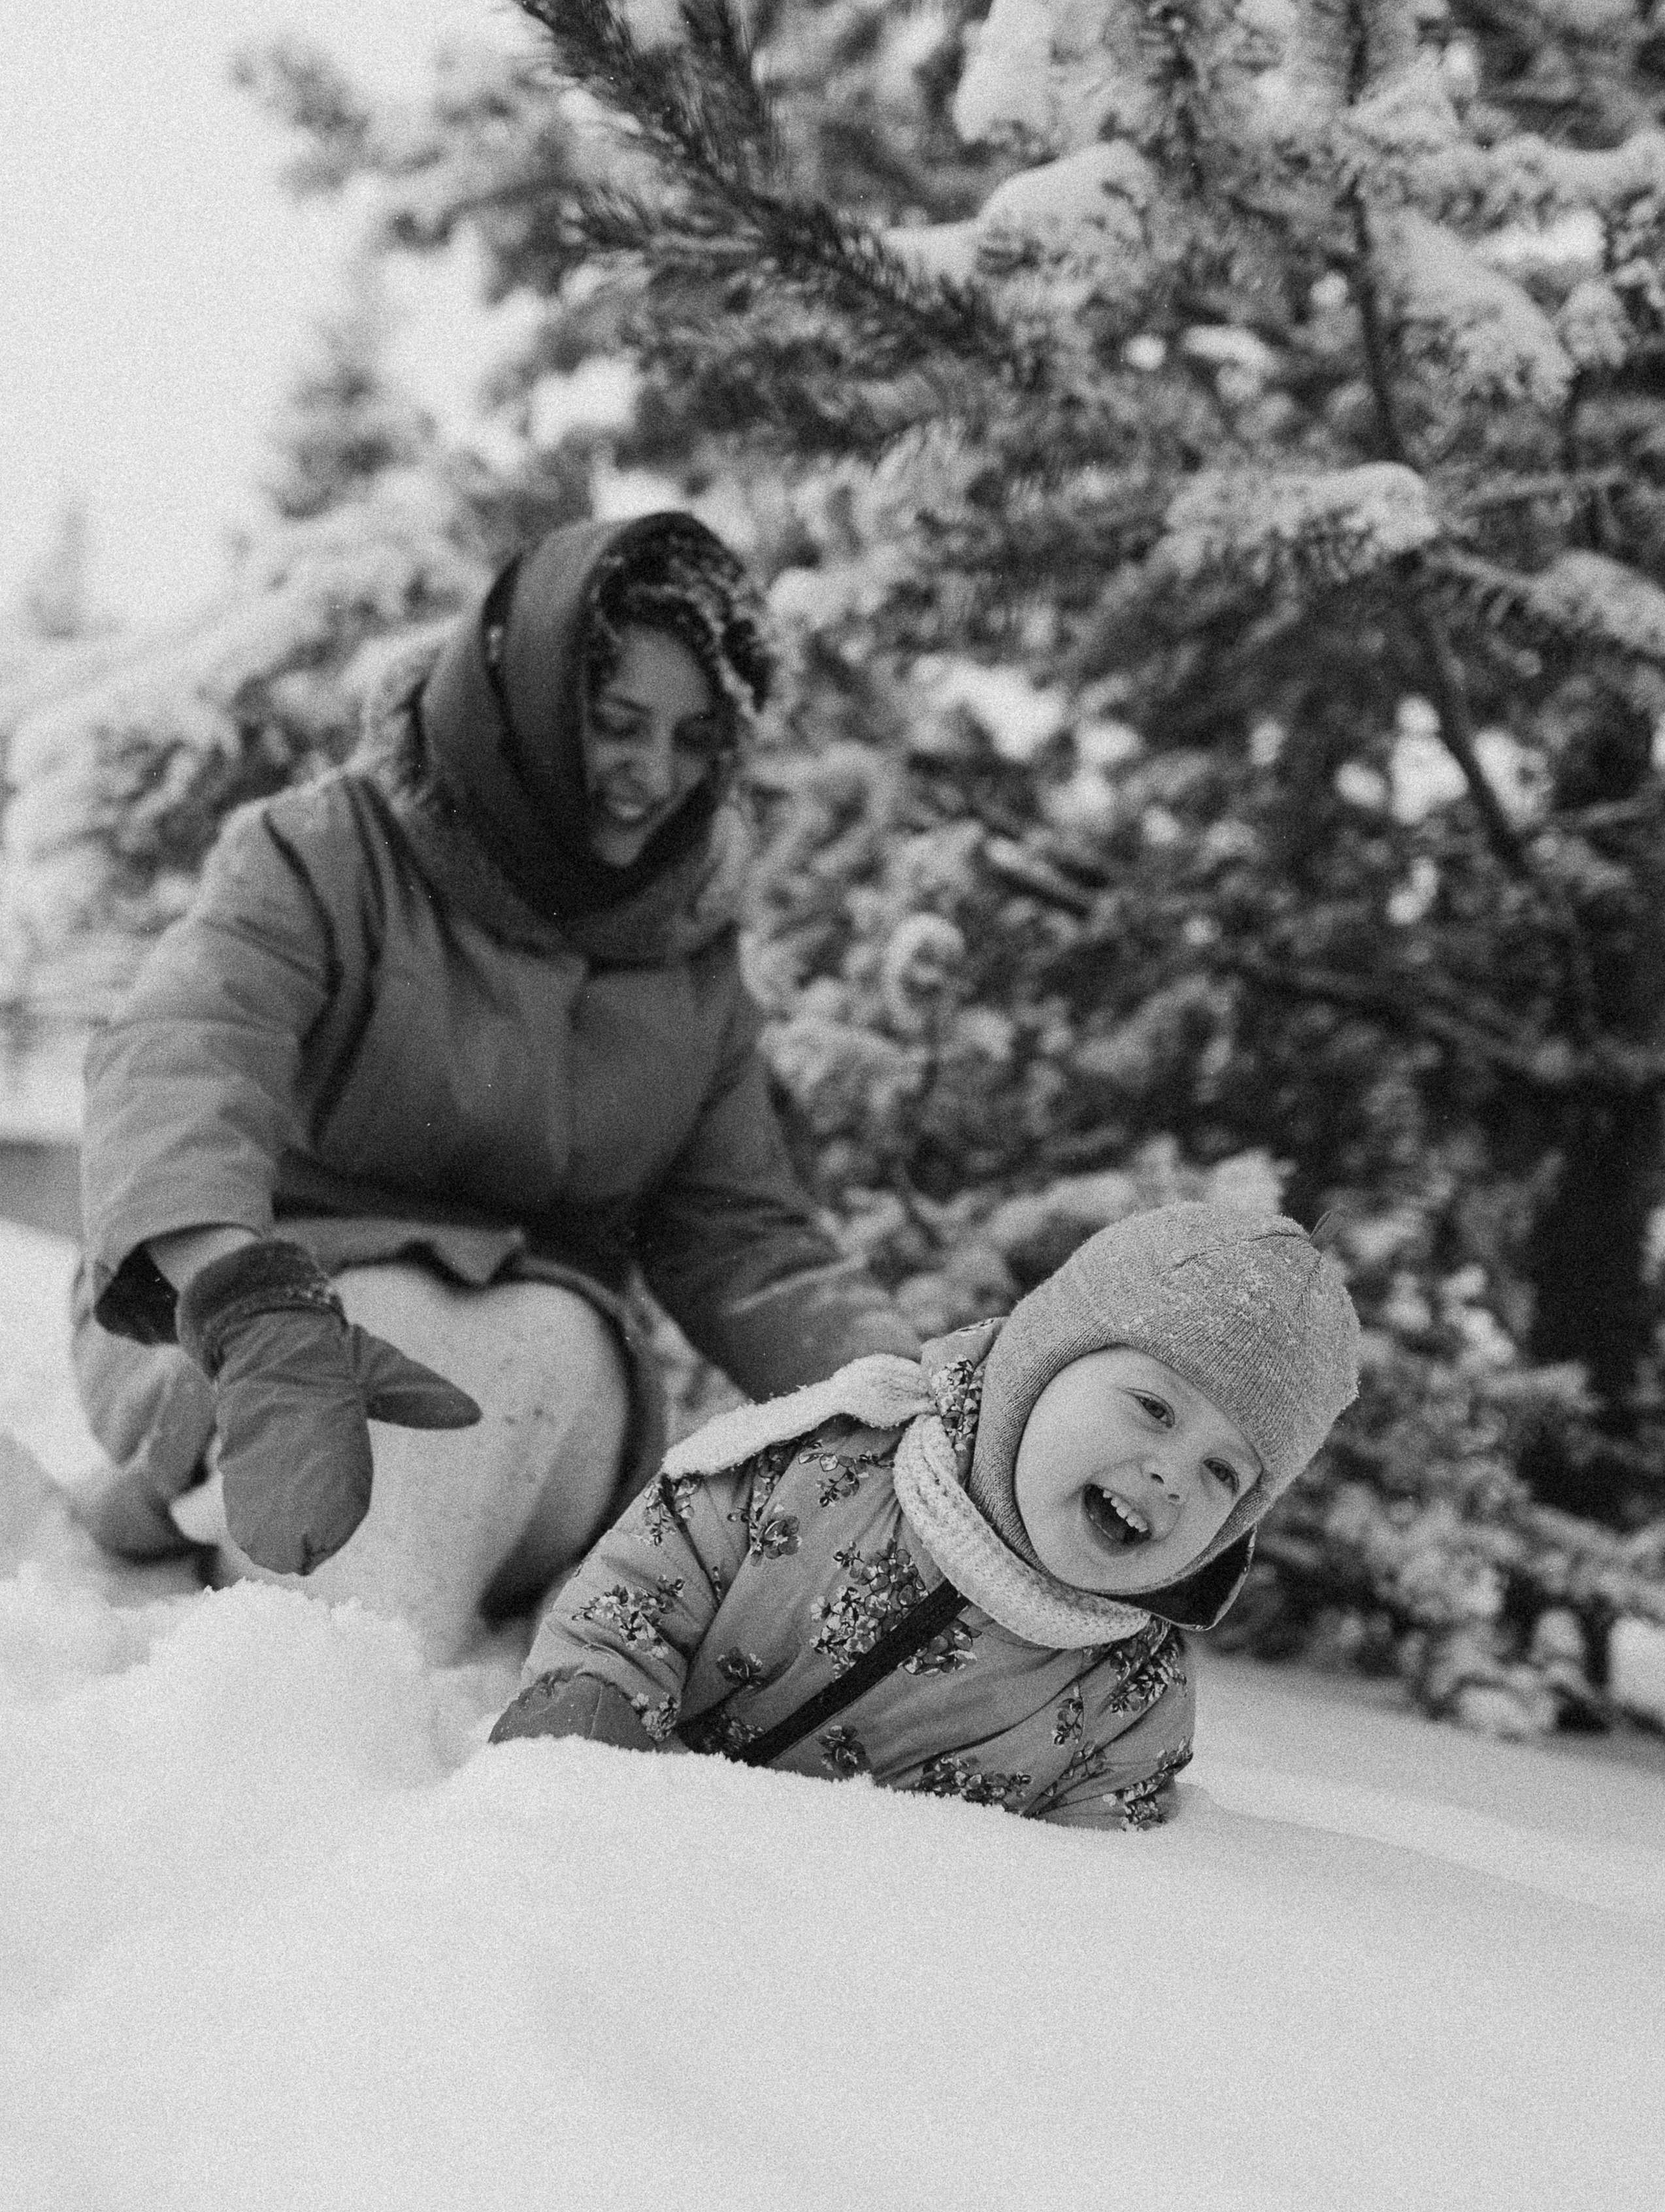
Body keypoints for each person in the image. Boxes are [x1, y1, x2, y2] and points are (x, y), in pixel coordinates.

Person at [69, 512, 917, 1658]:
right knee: (381, 1330)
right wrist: (244, 1294)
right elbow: (186, 1049)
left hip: (539, 1371)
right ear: (521, 701)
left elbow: (747, 1239)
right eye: (617, 724)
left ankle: (324, 1632)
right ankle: (314, 1654)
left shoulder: (692, 955)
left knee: (538, 1340)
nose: (652, 774)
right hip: (262, 1310)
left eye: (692, 736)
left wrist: (918, 1408)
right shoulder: (323, 851)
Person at [488, 1202, 1359, 1826]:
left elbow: (1095, 1901)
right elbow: (642, 1583)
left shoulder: (1132, 1697)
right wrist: (582, 1751)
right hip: (611, 1848)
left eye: (1221, 1471)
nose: (1171, 1472)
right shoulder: (827, 1462)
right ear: (1041, 1366)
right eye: (1152, 1408)